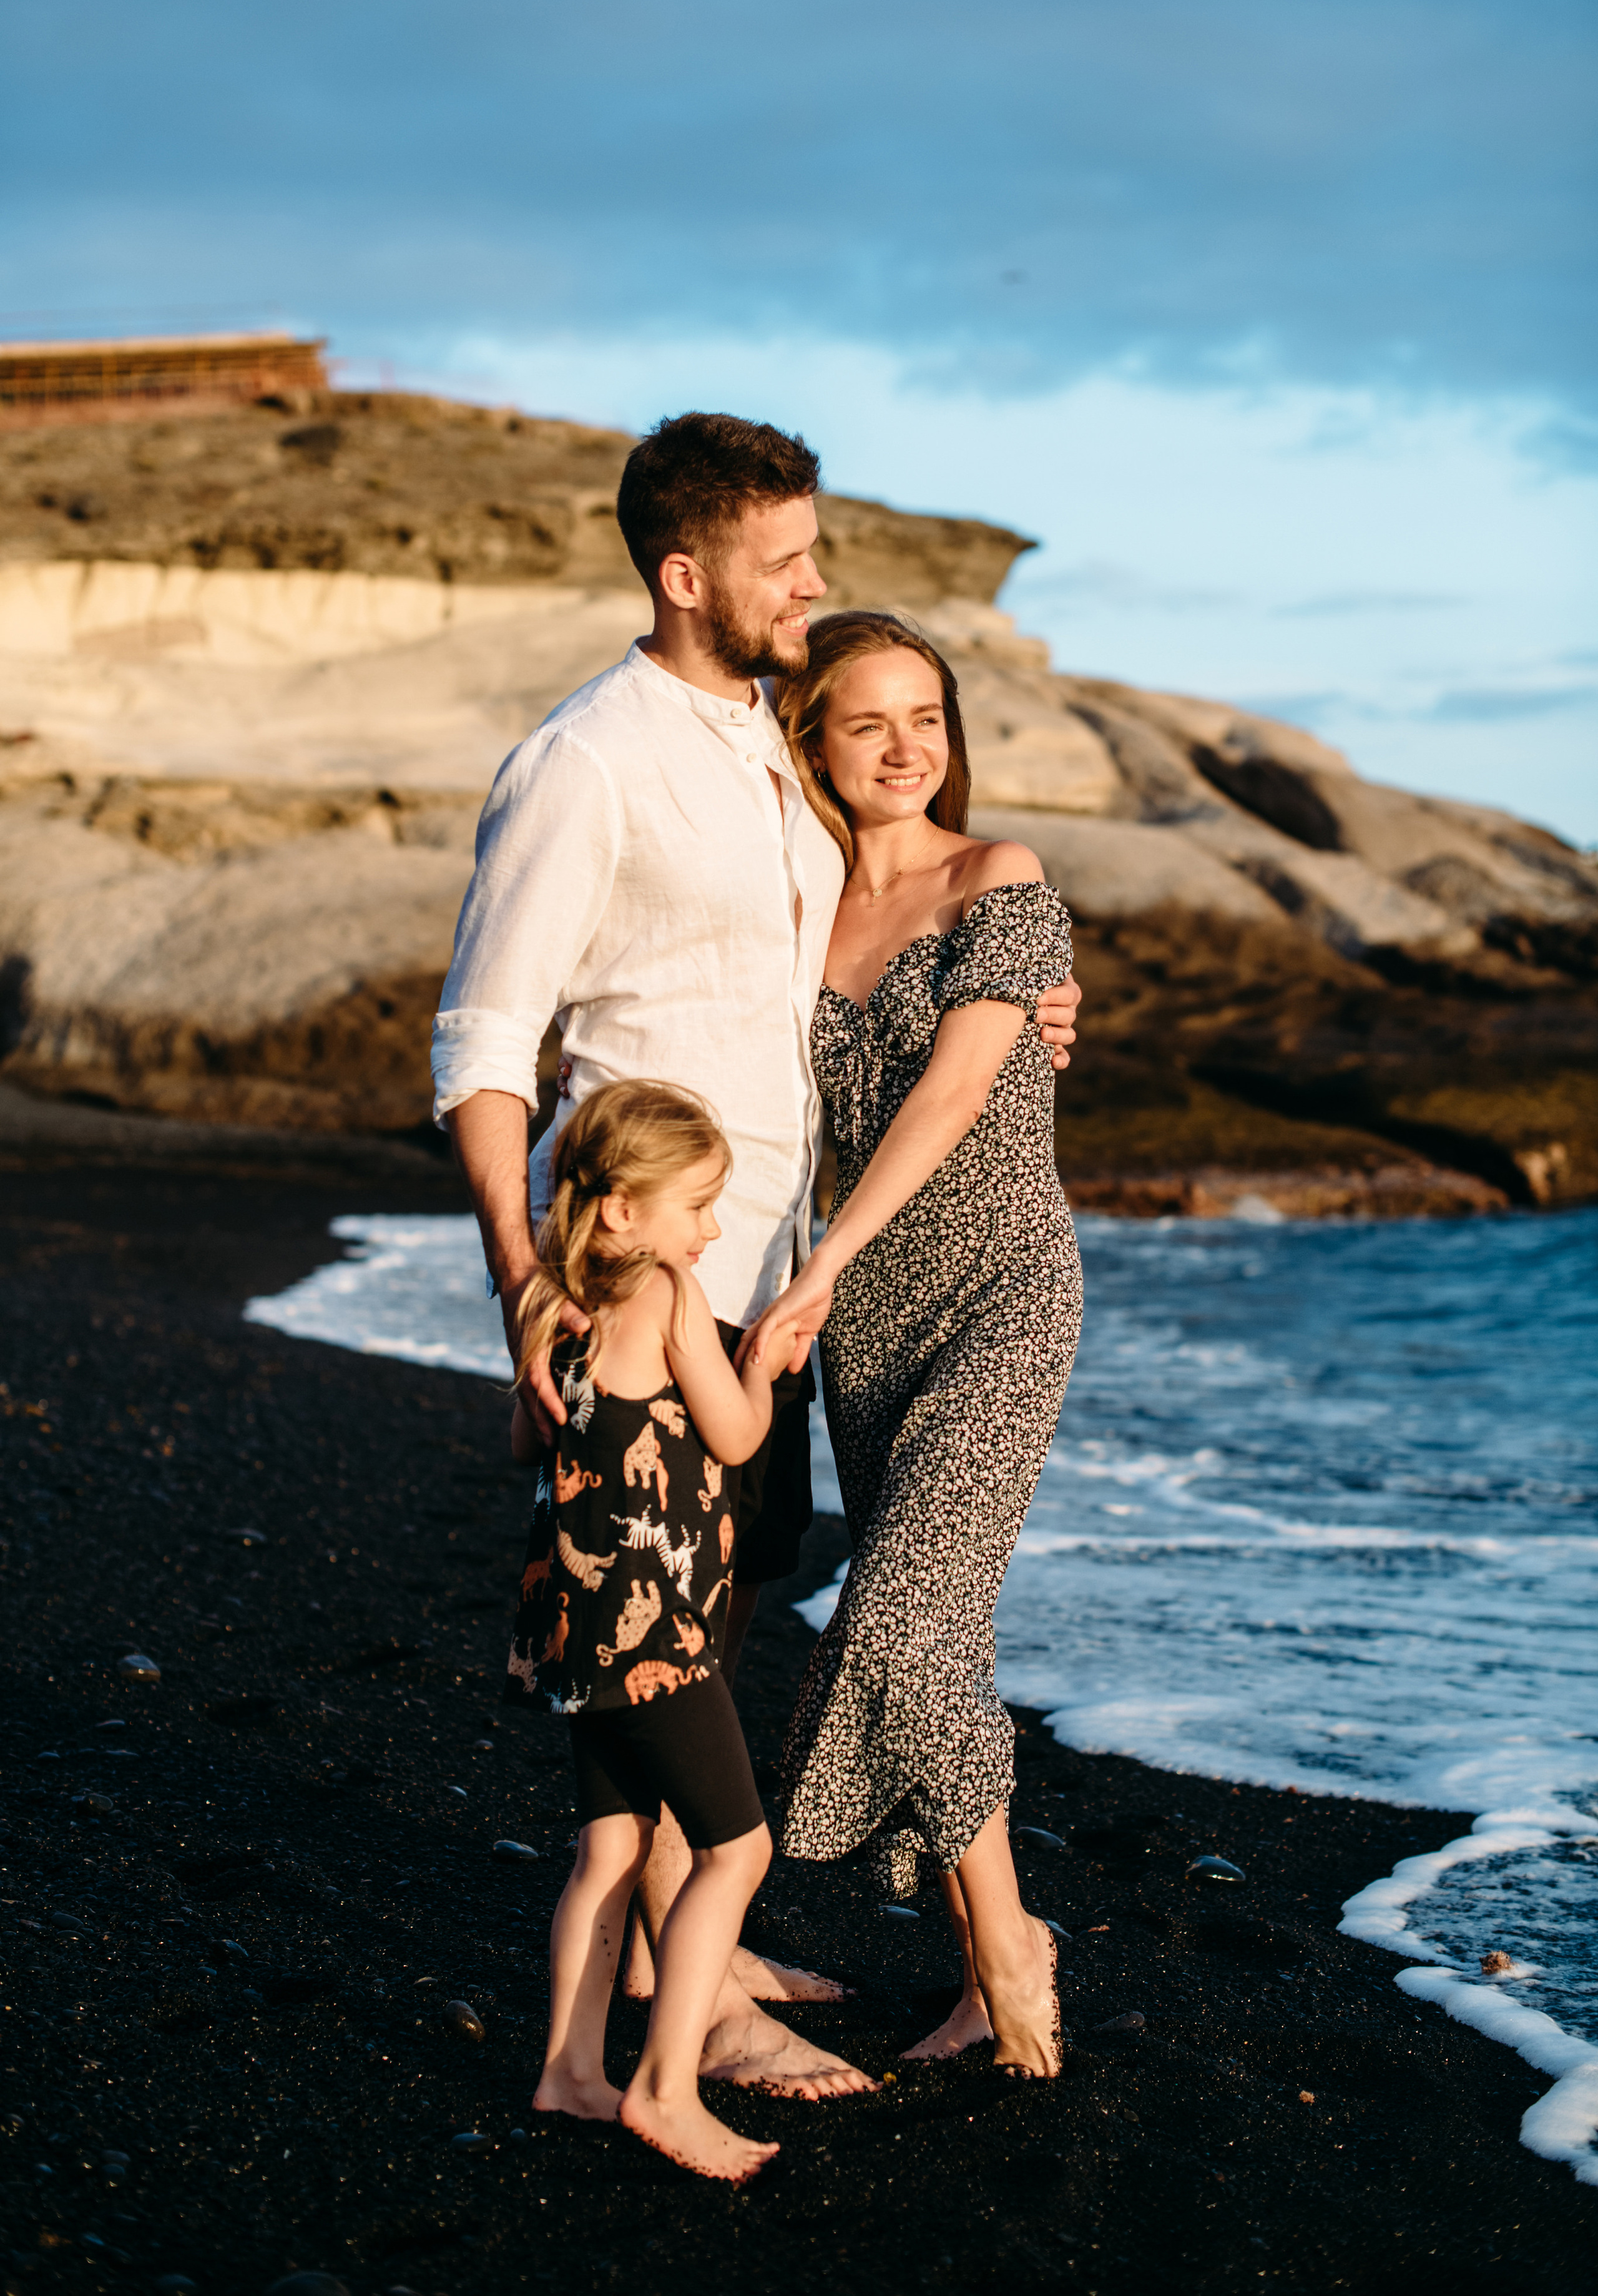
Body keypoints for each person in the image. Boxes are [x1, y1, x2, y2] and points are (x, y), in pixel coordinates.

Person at [432, 411, 1081, 2096]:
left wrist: (1032, 1004)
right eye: (785, 560)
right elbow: (488, 1043)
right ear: (684, 572)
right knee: (659, 1624)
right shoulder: (588, 761)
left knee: (712, 1611)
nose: (815, 581)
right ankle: (687, 2003)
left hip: (784, 1279)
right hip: (655, 1279)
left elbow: (904, 960)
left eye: (815, 552)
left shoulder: (770, 756)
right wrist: (522, 1281)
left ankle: (693, 1946)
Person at [742, 609, 1083, 2079]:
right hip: (861, 1331)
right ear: (814, 742)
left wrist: (815, 1262)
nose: (903, 748)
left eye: (925, 718)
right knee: (939, 1634)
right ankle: (970, 1967)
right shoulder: (794, 911)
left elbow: (950, 1095)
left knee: (886, 1622)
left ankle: (1012, 1947)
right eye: (866, 722)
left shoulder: (995, 877)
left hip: (1001, 1288)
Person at [515, 1080, 801, 2181]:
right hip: (656, 1632)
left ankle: (570, 2070)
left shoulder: (554, 1305)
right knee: (738, 1849)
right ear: (625, 1212)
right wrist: (762, 1371)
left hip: (571, 1628)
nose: (713, 1229)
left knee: (610, 1849)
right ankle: (668, 2087)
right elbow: (731, 1440)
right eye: (697, 1206)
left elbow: (526, 1445)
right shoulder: (671, 1293)